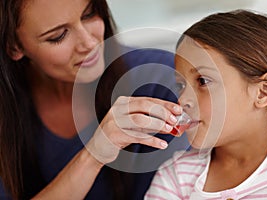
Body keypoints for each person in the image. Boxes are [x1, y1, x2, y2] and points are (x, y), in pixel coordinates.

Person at [0, 0, 189, 199]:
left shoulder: (161, 79)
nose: (89, 43)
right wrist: (93, 156)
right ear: (13, 46)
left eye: (89, 15)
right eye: (58, 36)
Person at [145, 9, 267, 199]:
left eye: (203, 81)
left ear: (263, 92)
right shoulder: (175, 177)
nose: (183, 100)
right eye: (180, 85)